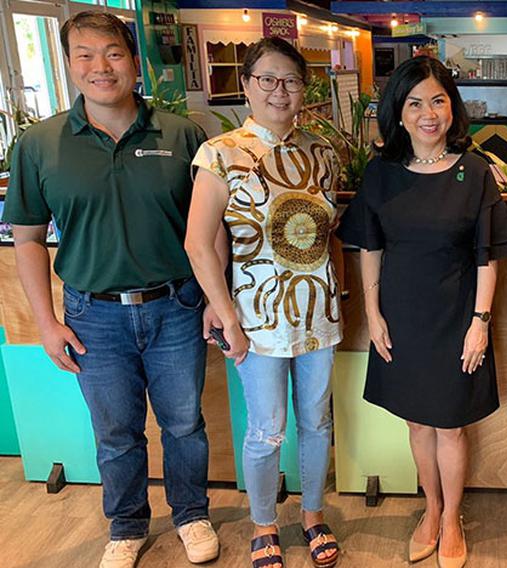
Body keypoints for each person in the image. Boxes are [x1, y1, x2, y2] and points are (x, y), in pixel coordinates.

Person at [0, 12, 219, 568]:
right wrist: (47, 324)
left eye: (113, 53)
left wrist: (218, 303)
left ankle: (192, 514)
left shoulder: (182, 133)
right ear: (69, 65)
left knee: (184, 422)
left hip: (176, 306)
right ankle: (126, 525)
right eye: (85, 55)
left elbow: (212, 227)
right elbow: (27, 238)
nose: (101, 66)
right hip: (92, 315)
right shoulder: (40, 144)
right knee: (116, 432)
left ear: (134, 60)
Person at [337, 55, 507, 568]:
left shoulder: (475, 171)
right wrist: (373, 314)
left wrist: (480, 323)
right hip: (402, 317)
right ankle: (431, 509)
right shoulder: (382, 174)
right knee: (417, 424)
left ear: (452, 108)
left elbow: (489, 255)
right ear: (398, 112)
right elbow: (368, 246)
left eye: (438, 100)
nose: (427, 112)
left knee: (451, 427)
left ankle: (452, 518)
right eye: (415, 102)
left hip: (457, 318)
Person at [184, 37, 342, 568]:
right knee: (266, 427)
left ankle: (314, 514)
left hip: (318, 311)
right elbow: (199, 241)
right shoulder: (220, 152)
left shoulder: (323, 152)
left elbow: (327, 233)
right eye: (268, 79)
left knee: (318, 422)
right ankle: (264, 522)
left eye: (291, 80)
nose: (280, 90)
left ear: (304, 89)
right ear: (247, 84)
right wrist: (224, 311)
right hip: (254, 318)